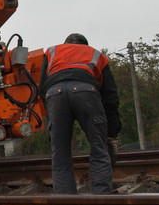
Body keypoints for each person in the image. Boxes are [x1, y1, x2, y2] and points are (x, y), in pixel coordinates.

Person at [39, 33, 120, 195]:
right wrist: (111, 132)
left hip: (54, 94)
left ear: (65, 43)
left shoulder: (52, 52)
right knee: (99, 147)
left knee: (60, 152)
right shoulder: (96, 54)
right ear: (86, 45)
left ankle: (65, 200)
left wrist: (51, 123)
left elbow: (42, 88)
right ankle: (102, 196)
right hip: (86, 91)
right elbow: (110, 95)